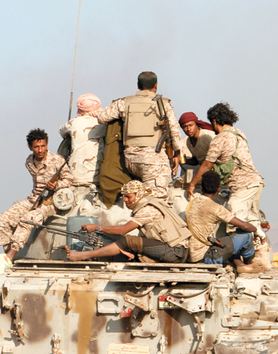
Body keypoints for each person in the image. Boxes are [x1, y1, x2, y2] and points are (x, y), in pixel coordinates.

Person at [90, 71, 185, 200]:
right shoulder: (163, 104)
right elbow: (174, 130)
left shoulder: (124, 102)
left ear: (138, 85)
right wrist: (177, 154)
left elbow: (102, 117)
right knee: (155, 200)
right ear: (156, 85)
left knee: (137, 199)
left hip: (130, 160)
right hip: (154, 161)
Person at [184, 102, 264, 233]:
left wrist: (192, 185)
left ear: (214, 121)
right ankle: (260, 244)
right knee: (252, 221)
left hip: (242, 186)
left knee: (235, 226)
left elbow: (207, 166)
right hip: (255, 183)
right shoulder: (239, 133)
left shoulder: (219, 139)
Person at [0, 128, 74, 261]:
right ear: (30, 147)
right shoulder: (29, 162)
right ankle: (8, 255)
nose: (40, 150)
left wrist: (56, 185)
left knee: (28, 219)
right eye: (36, 147)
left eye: (43, 146)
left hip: (52, 201)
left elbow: (70, 180)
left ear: (47, 145)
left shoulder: (57, 160)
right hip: (35, 198)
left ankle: (10, 256)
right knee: (3, 220)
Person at [66, 180, 191, 263]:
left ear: (139, 195)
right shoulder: (151, 202)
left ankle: (82, 255)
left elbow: (122, 230)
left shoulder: (147, 209)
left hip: (174, 252)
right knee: (126, 244)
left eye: (128, 197)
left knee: (127, 241)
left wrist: (97, 227)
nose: (125, 200)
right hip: (173, 249)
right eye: (124, 197)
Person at [185, 171, 264, 272]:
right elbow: (245, 226)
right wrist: (257, 231)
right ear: (218, 189)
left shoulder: (192, 203)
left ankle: (240, 265)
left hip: (191, 256)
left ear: (201, 188)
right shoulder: (215, 208)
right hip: (206, 257)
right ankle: (250, 264)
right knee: (246, 235)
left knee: (228, 243)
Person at [59, 93, 106, 186]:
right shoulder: (104, 124)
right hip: (98, 176)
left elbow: (61, 131)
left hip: (76, 175)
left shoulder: (73, 122)